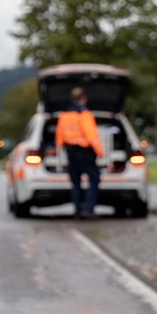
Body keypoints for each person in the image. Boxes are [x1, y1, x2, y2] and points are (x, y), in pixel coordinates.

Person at [56, 87, 105, 219]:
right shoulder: (84, 114)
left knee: (75, 183)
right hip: (85, 152)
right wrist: (100, 151)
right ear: (83, 99)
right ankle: (88, 209)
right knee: (94, 178)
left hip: (70, 152)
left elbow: (59, 137)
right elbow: (91, 135)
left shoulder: (64, 115)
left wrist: (60, 151)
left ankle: (77, 211)